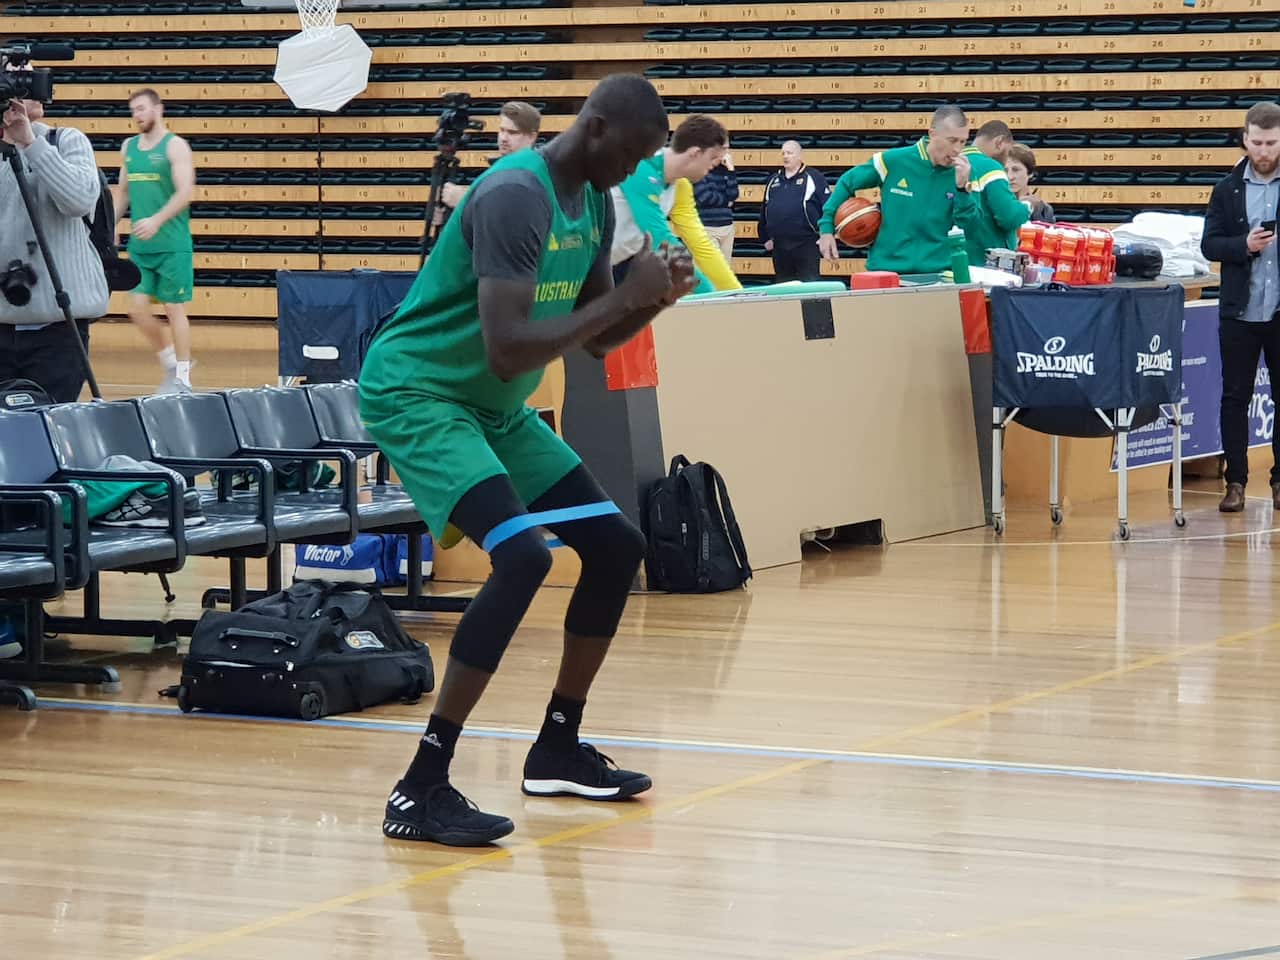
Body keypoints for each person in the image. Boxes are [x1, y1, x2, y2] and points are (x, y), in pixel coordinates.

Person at [359, 74, 693, 846]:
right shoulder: (517, 194)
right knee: (521, 558)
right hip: (420, 393)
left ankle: (557, 747)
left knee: (615, 549)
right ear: (599, 128)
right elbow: (511, 345)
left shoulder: (595, 201)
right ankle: (421, 786)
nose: (638, 170)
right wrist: (627, 295)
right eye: (636, 153)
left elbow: (600, 338)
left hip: (493, 404)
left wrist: (653, 299)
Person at [0, 63, 107, 402]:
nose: (34, 86)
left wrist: (30, 142)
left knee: (48, 436)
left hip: (59, 329)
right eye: (20, 79)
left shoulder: (66, 140)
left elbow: (78, 200)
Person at [1201, 101, 1280, 513]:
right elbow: (1209, 244)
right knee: (1234, 397)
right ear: (1244, 139)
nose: (1264, 151)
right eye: (1257, 142)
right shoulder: (1226, 188)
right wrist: (1243, 246)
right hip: (1239, 310)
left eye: (1271, 142)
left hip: (1278, 309)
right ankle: (1235, 482)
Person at [820, 106, 1003, 274]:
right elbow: (847, 181)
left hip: (938, 274)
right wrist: (827, 228)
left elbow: (972, 229)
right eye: (952, 140)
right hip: (886, 270)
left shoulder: (966, 173)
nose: (957, 149)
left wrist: (962, 190)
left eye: (963, 142)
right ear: (932, 134)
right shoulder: (893, 160)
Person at [112, 88, 196, 393]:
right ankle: (169, 360)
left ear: (159, 109)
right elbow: (123, 193)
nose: (138, 115)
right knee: (135, 308)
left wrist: (157, 219)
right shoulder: (129, 148)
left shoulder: (176, 147)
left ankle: (184, 377)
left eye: (143, 108)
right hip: (140, 247)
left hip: (172, 244)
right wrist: (111, 224)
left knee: (174, 308)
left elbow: (186, 193)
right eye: (134, 110)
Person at [610, 114, 740, 295]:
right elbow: (659, 238)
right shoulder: (640, 168)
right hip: (582, 262)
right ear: (695, 153)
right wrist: (708, 292)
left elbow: (701, 245)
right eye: (713, 158)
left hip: (618, 262)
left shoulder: (681, 186)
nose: (716, 165)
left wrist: (737, 294)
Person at [438, 100, 542, 213]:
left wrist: (466, 200)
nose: (504, 138)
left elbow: (517, 210)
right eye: (502, 130)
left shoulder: (537, 171)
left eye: (512, 132)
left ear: (532, 137)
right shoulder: (498, 169)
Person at [759, 140, 829, 282]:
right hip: (779, 245)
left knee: (809, 286)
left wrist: (825, 234)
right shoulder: (773, 180)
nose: (786, 156)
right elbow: (765, 209)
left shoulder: (814, 177)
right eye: (783, 153)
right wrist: (764, 237)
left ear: (799, 156)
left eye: (789, 153)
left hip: (807, 243)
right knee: (784, 287)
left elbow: (827, 206)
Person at [692, 142, 738, 262]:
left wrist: (731, 170)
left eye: (728, 149)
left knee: (725, 271)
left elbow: (734, 194)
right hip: (707, 227)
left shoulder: (726, 169)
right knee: (711, 269)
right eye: (724, 148)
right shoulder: (700, 168)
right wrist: (726, 201)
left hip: (727, 226)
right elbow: (704, 197)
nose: (726, 153)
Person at [1004, 143, 1056, 223]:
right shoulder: (990, 208)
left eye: (1016, 170)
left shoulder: (1043, 209)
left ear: (1030, 173)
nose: (1010, 177)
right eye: (1005, 170)